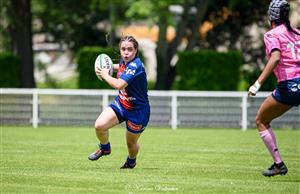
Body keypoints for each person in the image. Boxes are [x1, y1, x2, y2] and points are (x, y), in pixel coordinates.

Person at [248, 0, 300, 177]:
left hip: (289, 86)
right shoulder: (298, 34)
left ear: (271, 15)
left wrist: (257, 84)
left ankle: (279, 164)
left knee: (261, 120)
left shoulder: (272, 35)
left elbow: (276, 57)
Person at [88, 35, 151, 169]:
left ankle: (131, 160)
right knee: (99, 125)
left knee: (131, 144)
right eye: (123, 49)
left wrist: (105, 75)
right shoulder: (125, 62)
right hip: (122, 105)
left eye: (129, 49)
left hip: (138, 111)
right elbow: (120, 67)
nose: (126, 52)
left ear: (136, 51)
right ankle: (105, 148)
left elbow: (119, 85)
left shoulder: (135, 66)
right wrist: (107, 66)